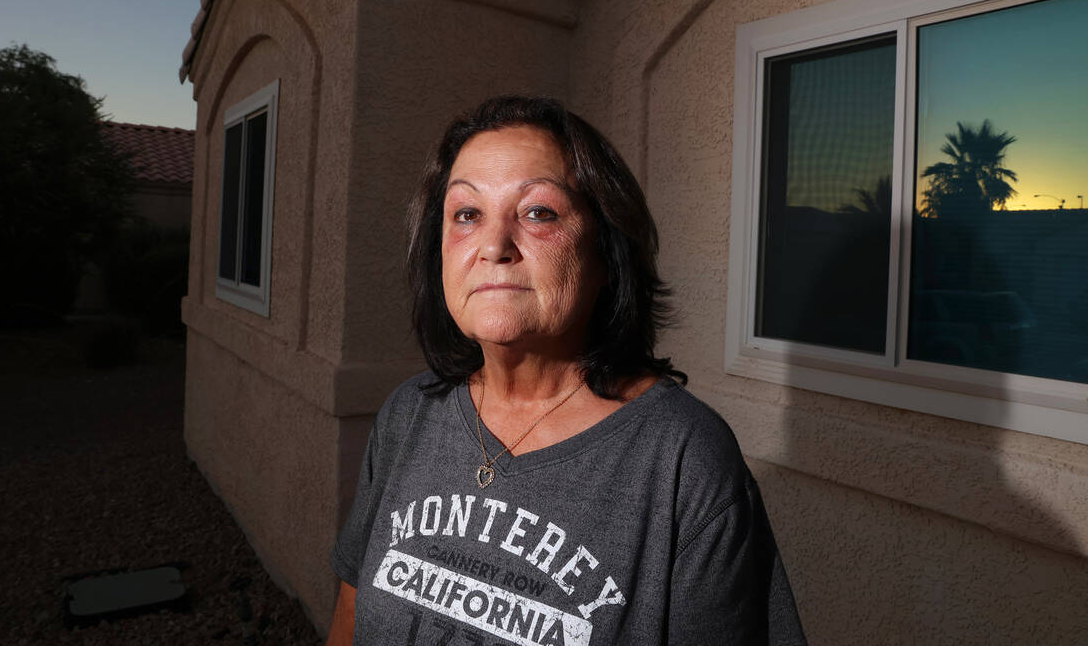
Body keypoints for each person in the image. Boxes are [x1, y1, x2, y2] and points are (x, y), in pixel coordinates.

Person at [326, 96, 806, 646]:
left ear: (606, 252)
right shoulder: (408, 415)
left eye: (538, 212)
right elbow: (350, 615)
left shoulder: (683, 459)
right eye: (466, 214)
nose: (493, 245)